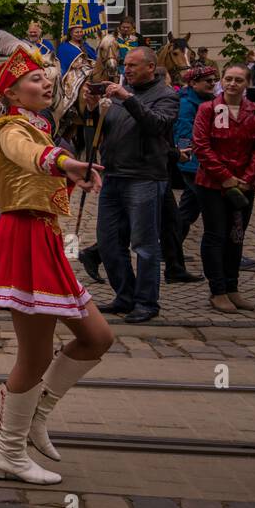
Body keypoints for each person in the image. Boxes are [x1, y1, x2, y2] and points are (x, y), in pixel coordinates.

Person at [0, 42, 112, 485]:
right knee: (33, 356)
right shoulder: (10, 128)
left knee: (96, 337)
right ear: (12, 95)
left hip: (46, 240)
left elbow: (43, 162)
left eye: (45, 76)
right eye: (35, 78)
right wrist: (68, 163)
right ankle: (10, 452)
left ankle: (36, 414)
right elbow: (28, 157)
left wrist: (71, 165)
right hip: (23, 239)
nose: (46, 81)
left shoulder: (40, 125)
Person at [95, 47, 179, 323]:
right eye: (124, 65)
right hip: (114, 176)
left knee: (143, 244)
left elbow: (156, 125)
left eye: (132, 65)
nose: (126, 69)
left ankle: (146, 302)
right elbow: (109, 130)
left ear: (150, 67)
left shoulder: (166, 96)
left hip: (144, 177)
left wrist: (127, 99)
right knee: (108, 242)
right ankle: (125, 295)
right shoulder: (120, 94)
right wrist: (92, 109)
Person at [193, 63, 255, 312]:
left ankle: (233, 287)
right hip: (213, 184)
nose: (233, 84)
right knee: (215, 235)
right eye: (228, 79)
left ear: (246, 84)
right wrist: (225, 177)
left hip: (245, 185)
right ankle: (218, 290)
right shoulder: (208, 109)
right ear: (221, 81)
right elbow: (201, 145)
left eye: (238, 80)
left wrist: (247, 178)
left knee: (237, 236)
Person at [171, 66, 214, 264]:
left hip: (201, 164)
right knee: (214, 209)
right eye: (208, 81)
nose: (212, 84)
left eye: (214, 80)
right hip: (194, 166)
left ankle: (170, 248)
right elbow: (183, 135)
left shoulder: (207, 101)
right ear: (193, 83)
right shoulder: (188, 104)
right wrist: (188, 160)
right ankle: (226, 253)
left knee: (188, 211)